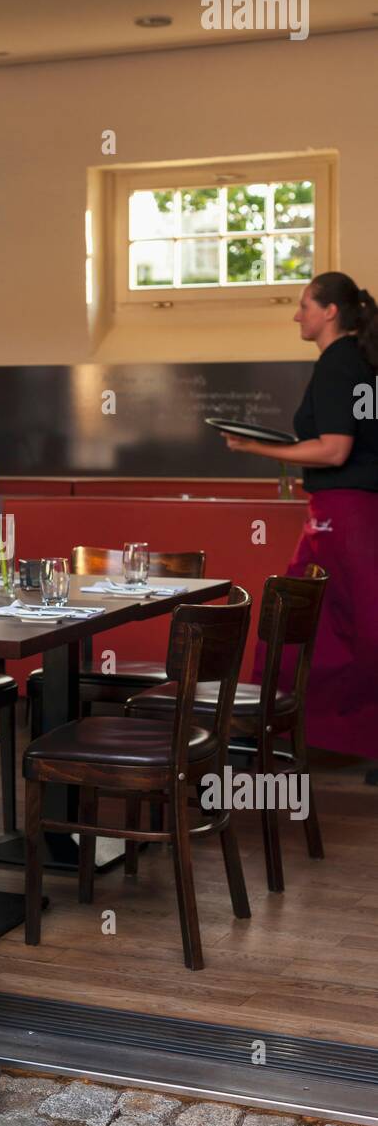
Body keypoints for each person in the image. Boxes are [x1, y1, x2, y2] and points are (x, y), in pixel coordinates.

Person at [223, 272, 378, 764]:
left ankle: (259, 728)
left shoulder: (339, 362)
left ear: (330, 311)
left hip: (344, 512)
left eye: (304, 305)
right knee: (337, 620)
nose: (297, 314)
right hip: (356, 510)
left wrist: (254, 446)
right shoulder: (362, 359)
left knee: (298, 617)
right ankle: (270, 727)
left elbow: (334, 450)